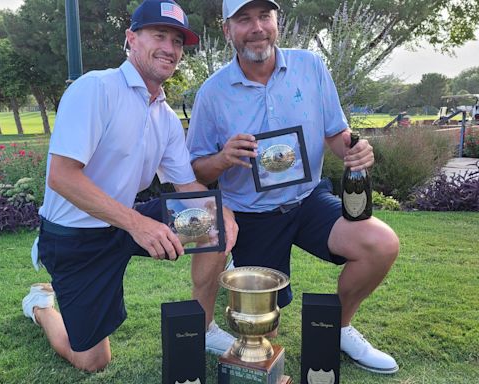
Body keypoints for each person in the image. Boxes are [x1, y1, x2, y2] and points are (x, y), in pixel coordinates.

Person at [21, 0, 237, 372]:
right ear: (131, 39)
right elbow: (62, 176)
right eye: (159, 35)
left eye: (177, 41)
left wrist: (222, 213)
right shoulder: (96, 89)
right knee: (93, 361)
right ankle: (40, 305)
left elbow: (185, 183)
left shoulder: (166, 117)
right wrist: (138, 225)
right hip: (75, 237)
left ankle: (204, 327)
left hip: (121, 222)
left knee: (213, 222)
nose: (170, 49)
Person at [186, 0, 400, 375]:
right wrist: (222, 158)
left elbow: (336, 132)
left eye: (264, 16)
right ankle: (236, 277)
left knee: (381, 244)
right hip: (252, 213)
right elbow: (196, 171)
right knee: (264, 323)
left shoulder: (310, 66)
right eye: (244, 19)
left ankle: (340, 326)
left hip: (308, 200)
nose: (257, 27)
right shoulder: (212, 92)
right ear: (227, 30)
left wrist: (355, 149)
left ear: (277, 22)